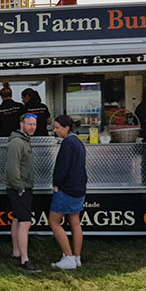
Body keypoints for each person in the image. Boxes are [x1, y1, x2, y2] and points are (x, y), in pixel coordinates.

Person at [48, 115, 87, 270]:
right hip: (79, 188)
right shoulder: (78, 142)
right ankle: (77, 257)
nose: (55, 130)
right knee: (75, 222)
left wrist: (56, 184)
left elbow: (62, 168)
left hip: (66, 189)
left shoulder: (67, 144)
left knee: (54, 221)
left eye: (57, 127)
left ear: (66, 128)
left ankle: (68, 256)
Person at [5, 112, 38, 271]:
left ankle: (16, 252)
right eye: (29, 124)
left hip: (22, 187)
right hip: (19, 188)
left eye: (34, 124)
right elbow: (12, 168)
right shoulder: (17, 142)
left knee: (18, 219)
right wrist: (20, 188)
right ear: (21, 125)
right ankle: (25, 260)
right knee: (26, 222)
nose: (32, 127)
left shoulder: (25, 140)